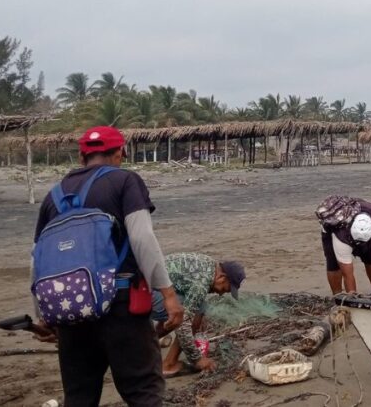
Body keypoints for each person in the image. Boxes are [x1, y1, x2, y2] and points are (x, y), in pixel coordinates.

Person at [31, 126, 184, 407]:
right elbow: (142, 238)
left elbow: (38, 260)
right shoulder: (125, 181)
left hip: (71, 311)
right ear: (120, 153)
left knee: (79, 396)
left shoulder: (52, 197)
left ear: (81, 157)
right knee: (143, 392)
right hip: (121, 307)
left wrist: (44, 314)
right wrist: (168, 293)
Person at [151, 253, 245, 378]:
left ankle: (145, 343)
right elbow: (183, 326)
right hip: (143, 295)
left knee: (196, 307)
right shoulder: (201, 284)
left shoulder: (209, 264)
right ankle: (169, 365)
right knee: (194, 313)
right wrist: (197, 359)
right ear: (222, 277)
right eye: (225, 289)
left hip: (141, 287)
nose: (221, 294)